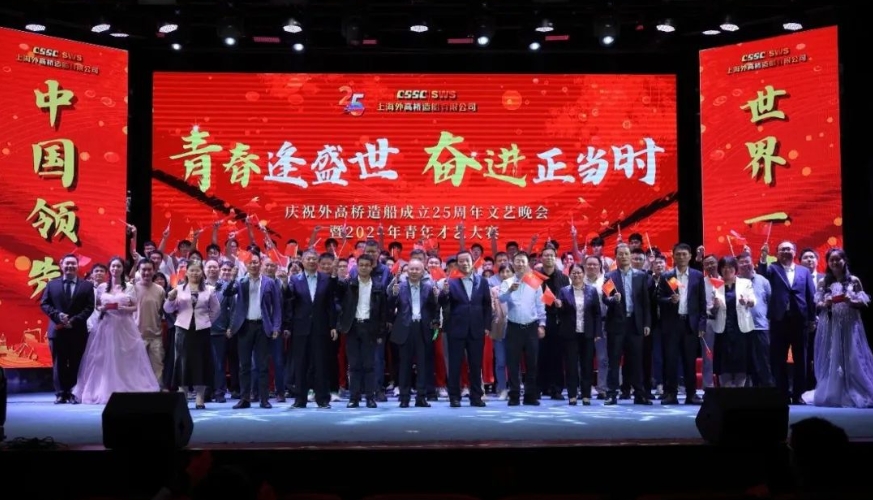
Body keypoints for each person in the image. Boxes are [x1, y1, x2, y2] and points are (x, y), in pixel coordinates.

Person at [73, 257, 160, 404]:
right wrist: (103, 308)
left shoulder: (129, 287)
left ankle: (125, 387)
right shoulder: (102, 287)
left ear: (122, 269)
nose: (115, 269)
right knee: (102, 358)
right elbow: (97, 306)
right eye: (113, 266)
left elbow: (134, 307)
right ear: (109, 268)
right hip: (106, 325)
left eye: (118, 266)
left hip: (124, 326)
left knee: (125, 357)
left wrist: (123, 308)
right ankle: (103, 389)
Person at [803, 248, 873, 408]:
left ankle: (855, 389)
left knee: (852, 355)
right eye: (831, 260)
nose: (835, 262)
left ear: (844, 261)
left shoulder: (854, 280)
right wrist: (825, 303)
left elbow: (864, 302)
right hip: (830, 324)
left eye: (838, 259)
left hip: (850, 324)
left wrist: (851, 301)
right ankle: (834, 391)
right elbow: (817, 304)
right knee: (832, 355)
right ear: (828, 263)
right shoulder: (823, 282)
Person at [164, 261, 222, 409]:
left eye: (197, 270)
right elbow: (168, 309)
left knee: (201, 363)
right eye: (192, 270)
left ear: (202, 273)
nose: (195, 273)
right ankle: (182, 395)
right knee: (182, 363)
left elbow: (216, 310)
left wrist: (207, 320)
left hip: (202, 330)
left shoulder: (209, 290)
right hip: (183, 330)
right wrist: (170, 298)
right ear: (187, 272)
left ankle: (199, 397)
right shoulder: (178, 289)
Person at [40, 254, 95, 404]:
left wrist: (74, 321)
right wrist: (57, 315)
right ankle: (60, 393)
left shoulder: (87, 286)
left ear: (78, 266)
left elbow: (90, 307)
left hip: (77, 330)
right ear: (61, 265)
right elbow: (44, 304)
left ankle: (73, 392)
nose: (70, 266)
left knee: (76, 362)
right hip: (57, 330)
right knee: (59, 363)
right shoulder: (52, 284)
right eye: (67, 263)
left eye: (73, 264)